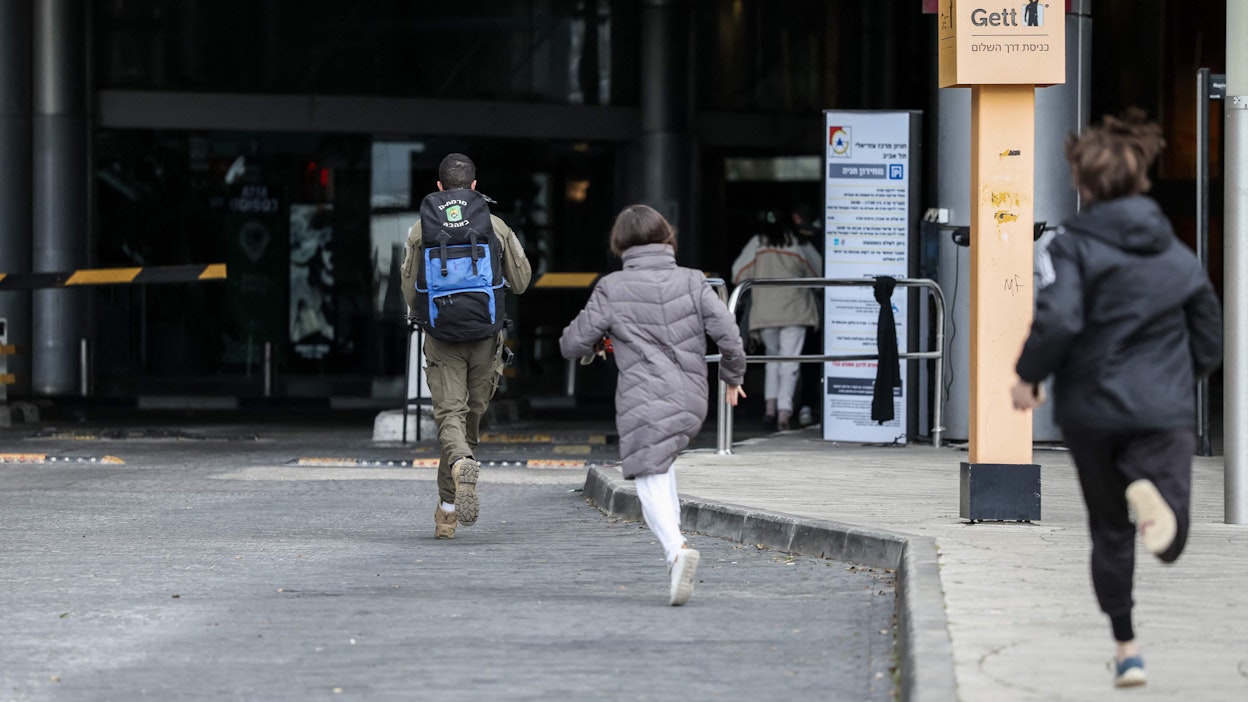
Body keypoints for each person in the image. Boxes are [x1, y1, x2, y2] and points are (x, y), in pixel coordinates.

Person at [1010, 109, 1222, 688]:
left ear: (1084, 184)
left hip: (1092, 411)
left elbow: (1059, 320)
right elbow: (1209, 333)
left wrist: (1027, 377)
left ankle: (1127, 649)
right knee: (1169, 536)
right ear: (1140, 179)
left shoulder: (1069, 246)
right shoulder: (1176, 255)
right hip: (1162, 411)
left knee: (1109, 528)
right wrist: (1180, 382)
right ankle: (1159, 500)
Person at [559, 204, 746, 606]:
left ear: (620, 243)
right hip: (691, 396)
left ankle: (676, 551)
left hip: (644, 397)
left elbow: (571, 343)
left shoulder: (612, 288)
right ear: (667, 236)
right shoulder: (695, 281)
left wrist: (599, 336)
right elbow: (728, 334)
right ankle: (677, 551)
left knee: (648, 474)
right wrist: (733, 377)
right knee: (661, 466)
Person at [401, 153, 532, 540]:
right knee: (469, 420)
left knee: (449, 416)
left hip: (441, 336)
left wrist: (425, 311)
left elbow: (410, 291)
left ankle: (457, 473)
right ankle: (447, 509)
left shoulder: (419, 229)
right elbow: (521, 280)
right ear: (475, 186)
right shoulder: (494, 225)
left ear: (439, 187)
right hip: (486, 337)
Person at [731, 209, 822, 431]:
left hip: (765, 309)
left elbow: (737, 273)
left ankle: (769, 408)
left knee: (772, 359)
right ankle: (784, 412)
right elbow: (819, 274)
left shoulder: (758, 242)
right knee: (789, 362)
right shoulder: (799, 243)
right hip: (795, 309)